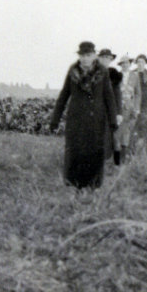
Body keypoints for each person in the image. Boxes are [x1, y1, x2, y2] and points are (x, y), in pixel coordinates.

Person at [50, 41, 117, 189]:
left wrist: (113, 119)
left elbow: (109, 96)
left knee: (94, 151)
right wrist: (55, 119)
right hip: (76, 119)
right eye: (82, 55)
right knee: (75, 150)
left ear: (94, 55)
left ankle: (93, 186)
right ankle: (73, 185)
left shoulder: (103, 72)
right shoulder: (72, 71)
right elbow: (64, 95)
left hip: (96, 120)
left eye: (88, 55)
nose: (85, 58)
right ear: (79, 56)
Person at [97, 48, 123, 164]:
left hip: (109, 111)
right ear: (99, 58)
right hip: (95, 110)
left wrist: (119, 113)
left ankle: (107, 161)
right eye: (104, 58)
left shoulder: (114, 74)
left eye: (109, 58)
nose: (107, 60)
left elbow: (118, 95)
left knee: (109, 136)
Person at [115, 54, 141, 163]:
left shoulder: (135, 76)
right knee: (118, 132)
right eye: (123, 63)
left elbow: (138, 93)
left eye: (127, 63)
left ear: (130, 64)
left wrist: (137, 107)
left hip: (130, 107)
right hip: (118, 108)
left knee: (127, 131)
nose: (125, 65)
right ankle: (116, 159)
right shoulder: (116, 75)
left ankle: (124, 158)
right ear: (120, 65)